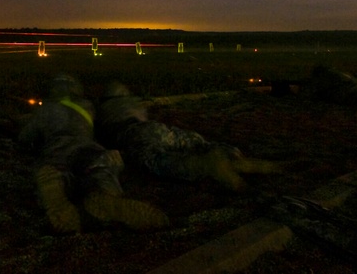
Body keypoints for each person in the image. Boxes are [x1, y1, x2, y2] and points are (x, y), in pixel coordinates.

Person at [17, 73, 169, 233]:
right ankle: (105, 196)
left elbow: (25, 138)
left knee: (54, 173)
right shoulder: (88, 106)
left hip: (58, 151)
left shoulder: (45, 109)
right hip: (92, 151)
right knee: (101, 174)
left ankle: (55, 187)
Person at [95, 81, 280, 191]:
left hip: (133, 134)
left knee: (159, 160)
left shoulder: (103, 110)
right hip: (155, 127)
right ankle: (231, 157)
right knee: (195, 143)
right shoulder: (133, 102)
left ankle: (205, 165)